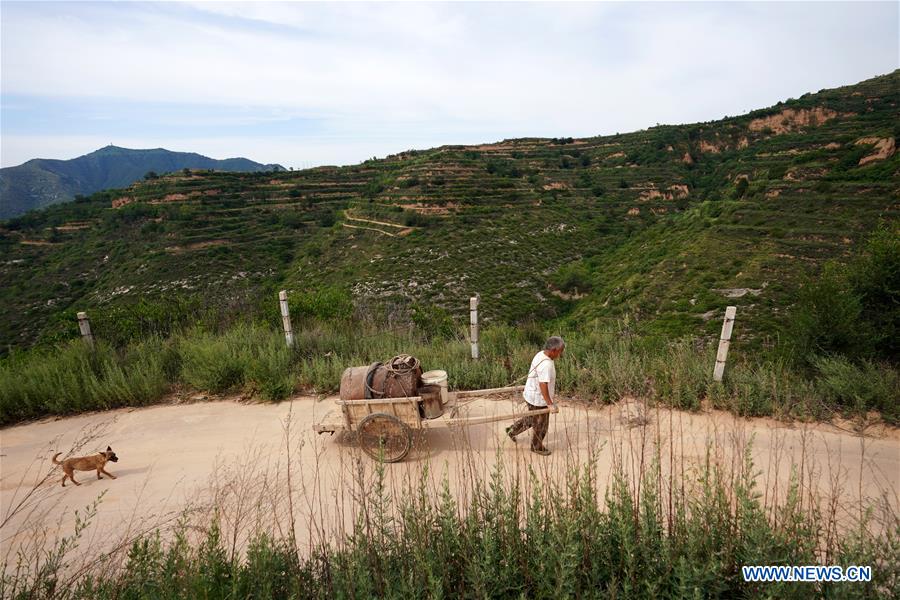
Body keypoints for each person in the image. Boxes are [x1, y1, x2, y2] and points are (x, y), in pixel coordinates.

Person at [506, 336, 565, 455]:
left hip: (530, 393)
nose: (560, 355)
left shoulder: (540, 354)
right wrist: (549, 404)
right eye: (560, 352)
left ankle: (512, 430)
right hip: (538, 399)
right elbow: (543, 384)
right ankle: (536, 446)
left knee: (532, 419)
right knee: (541, 425)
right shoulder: (547, 365)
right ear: (554, 350)